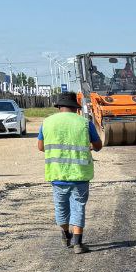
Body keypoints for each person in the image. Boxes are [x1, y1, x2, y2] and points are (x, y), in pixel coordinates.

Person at [37, 92, 102, 254]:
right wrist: (91, 147)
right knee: (78, 206)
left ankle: (66, 236)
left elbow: (40, 147)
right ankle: (78, 244)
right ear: (75, 107)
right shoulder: (85, 123)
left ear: (59, 106)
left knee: (61, 206)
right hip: (79, 174)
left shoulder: (47, 122)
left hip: (57, 173)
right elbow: (98, 145)